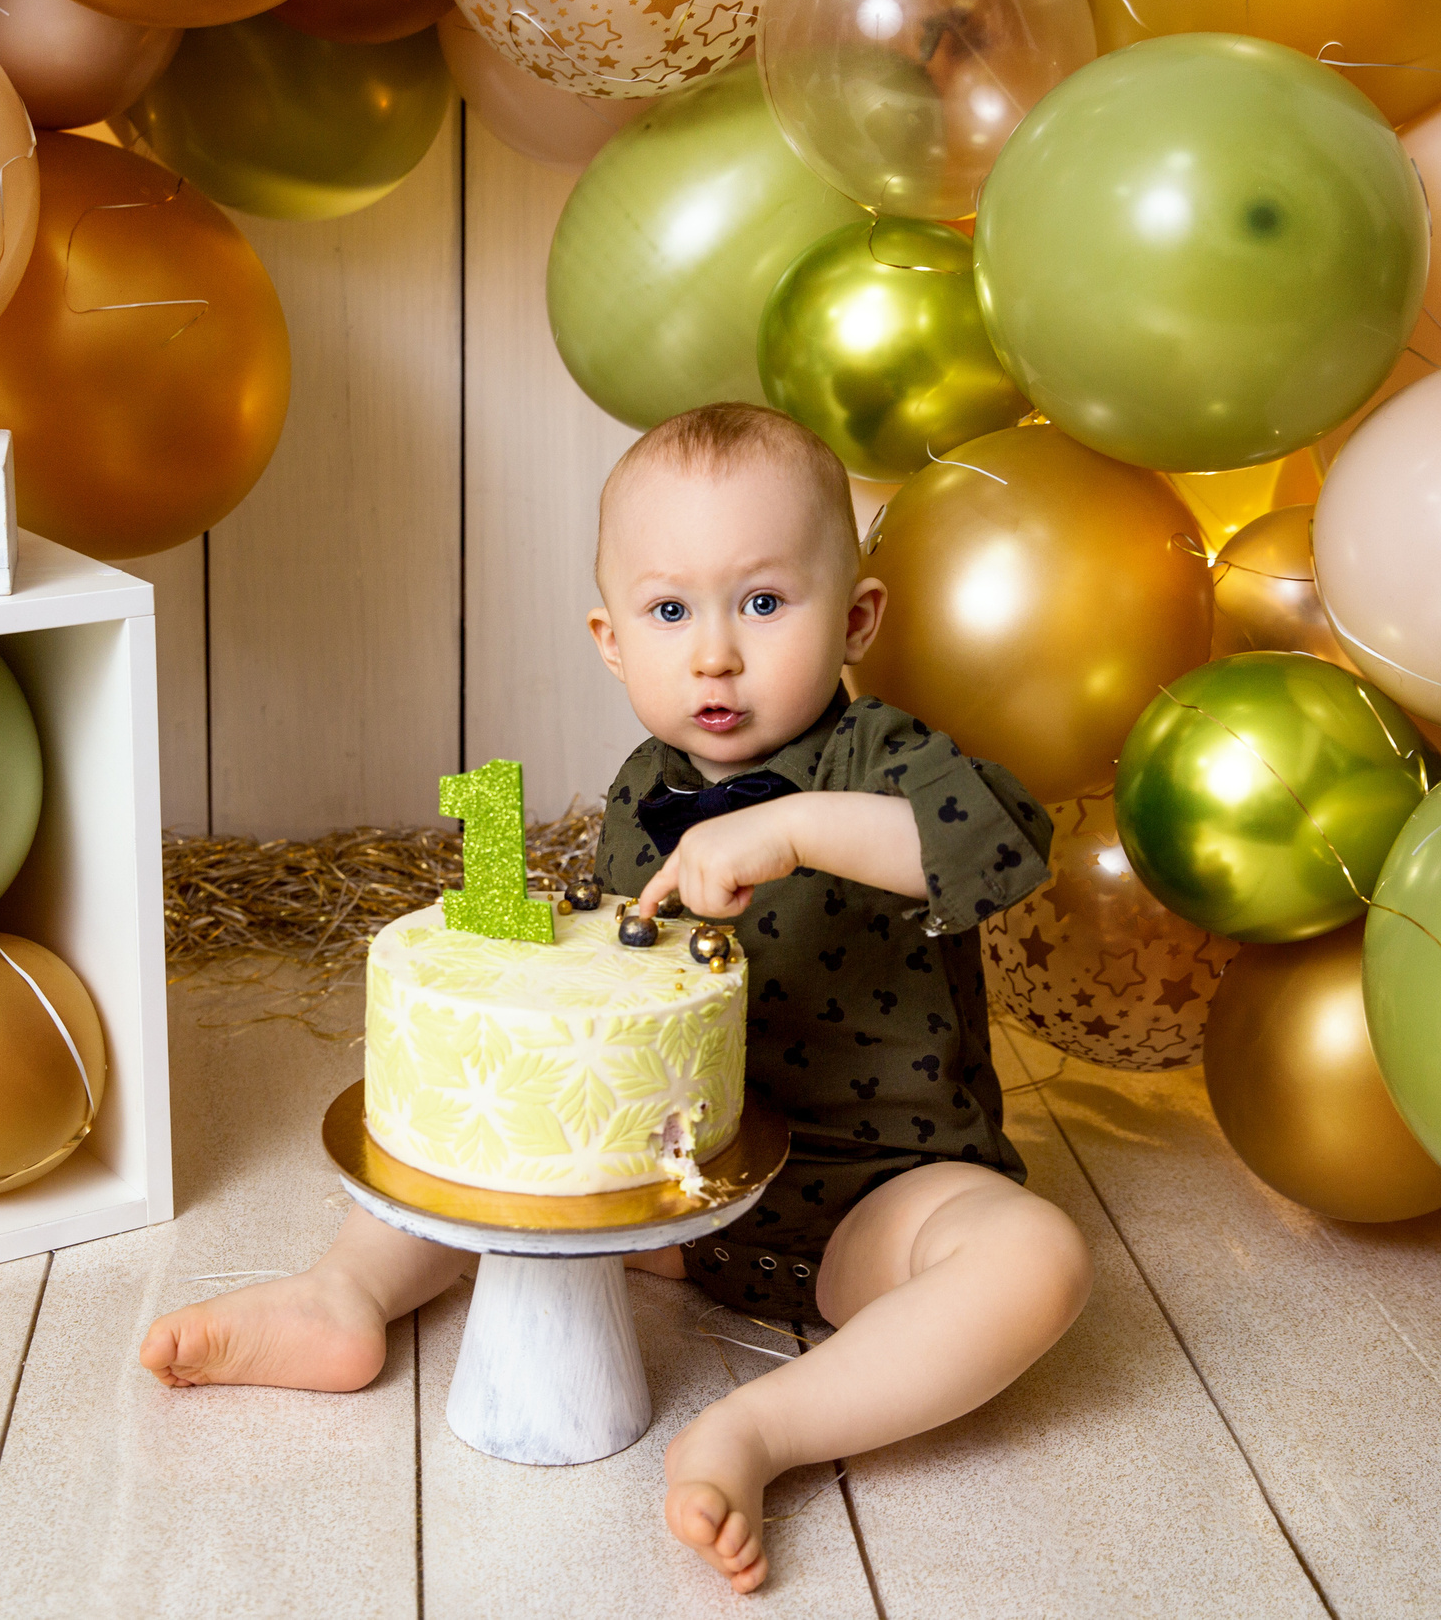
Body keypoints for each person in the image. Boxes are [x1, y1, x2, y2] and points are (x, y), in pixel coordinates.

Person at [140, 403, 1092, 1594]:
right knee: (485, 1122)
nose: (713, 654)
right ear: (609, 639)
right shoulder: (643, 788)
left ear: (854, 621)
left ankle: (761, 1430)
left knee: (1032, 1259)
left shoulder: (884, 762)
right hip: (670, 1190)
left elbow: (1004, 850)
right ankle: (342, 1297)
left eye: (760, 603)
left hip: (871, 1199)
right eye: (669, 611)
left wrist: (797, 830)